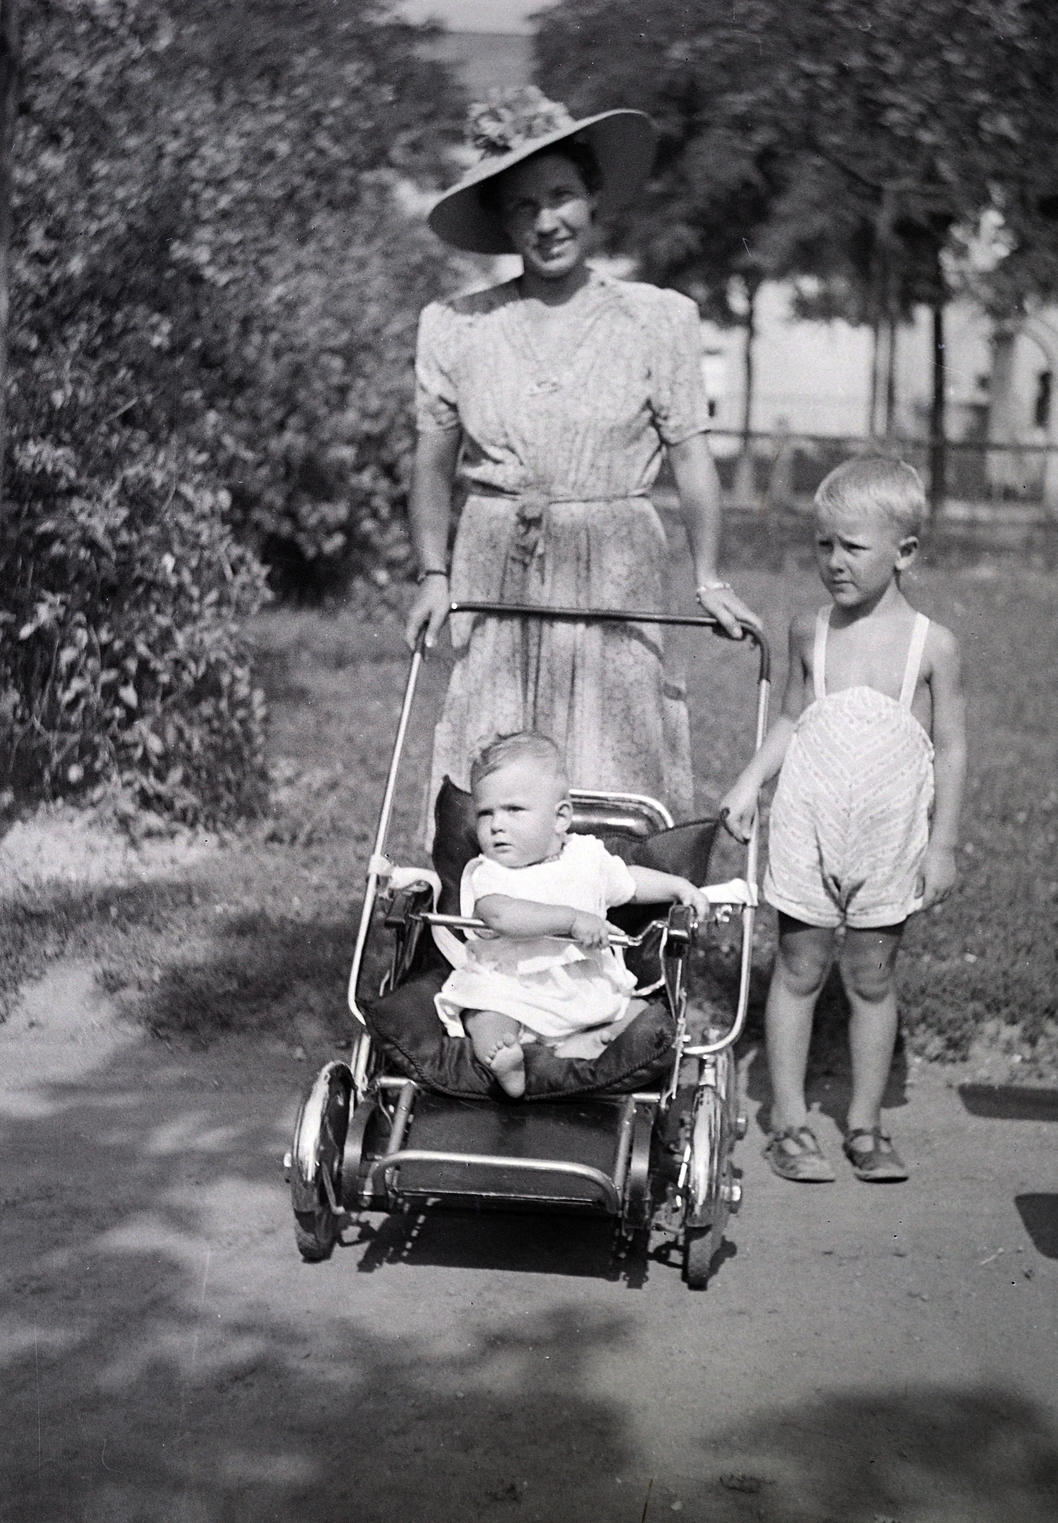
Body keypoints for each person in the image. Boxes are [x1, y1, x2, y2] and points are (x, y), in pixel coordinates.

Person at [404, 87, 760, 826]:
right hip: (496, 563)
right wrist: (433, 573)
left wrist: (710, 576)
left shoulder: (657, 319)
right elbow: (432, 460)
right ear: (504, 222)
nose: (547, 221)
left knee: (615, 756)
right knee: (493, 759)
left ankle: (621, 925)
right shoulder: (457, 326)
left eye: (562, 195)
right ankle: (484, 926)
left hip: (615, 562)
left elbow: (692, 459)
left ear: (593, 199)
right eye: (524, 206)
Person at [720, 458, 967, 1182]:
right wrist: (747, 784)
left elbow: (951, 749)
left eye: (852, 547)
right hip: (808, 826)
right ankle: (789, 1120)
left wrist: (944, 842)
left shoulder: (934, 646)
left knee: (871, 975)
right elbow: (792, 717)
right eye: (823, 544)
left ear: (905, 553)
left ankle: (865, 1120)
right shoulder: (811, 630)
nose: (834, 562)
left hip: (889, 838)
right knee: (797, 968)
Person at [436, 732, 710, 1099]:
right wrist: (571, 919)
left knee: (638, 1009)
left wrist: (677, 886)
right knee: (481, 1012)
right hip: (511, 988)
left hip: (582, 988)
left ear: (560, 817)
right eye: (486, 813)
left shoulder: (586, 858)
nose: (496, 824)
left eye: (513, 810)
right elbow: (501, 915)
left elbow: (628, 881)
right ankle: (505, 1058)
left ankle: (585, 1041)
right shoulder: (491, 873)